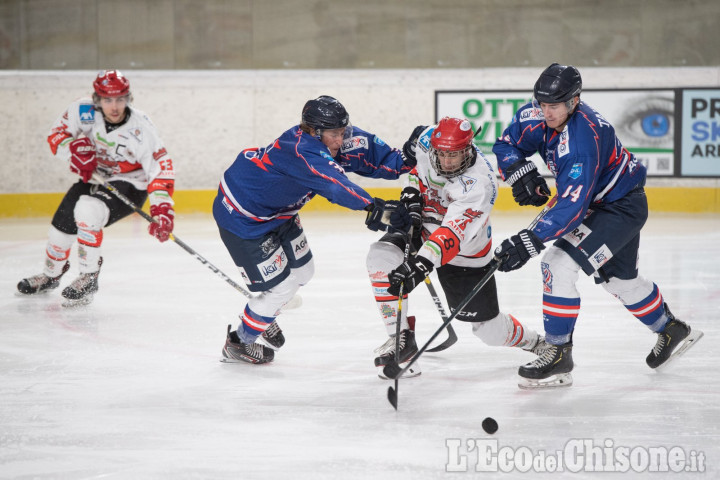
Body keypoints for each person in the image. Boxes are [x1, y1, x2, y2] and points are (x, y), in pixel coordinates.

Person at [493, 63, 704, 389]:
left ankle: (559, 353)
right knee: (619, 279)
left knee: (556, 264)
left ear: (574, 101)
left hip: (619, 208)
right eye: (542, 104)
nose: (546, 112)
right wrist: (521, 171)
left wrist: (529, 240)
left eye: (555, 106)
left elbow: (573, 206)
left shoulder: (582, 140)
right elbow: (506, 144)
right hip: (602, 203)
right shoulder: (536, 113)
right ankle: (670, 329)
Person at [214, 95, 414, 364]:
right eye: (334, 134)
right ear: (313, 131)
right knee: (283, 288)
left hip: (281, 212)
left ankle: (264, 311)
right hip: (243, 217)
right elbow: (333, 185)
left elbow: (377, 156)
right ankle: (239, 341)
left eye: (343, 131)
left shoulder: (333, 138)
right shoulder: (300, 150)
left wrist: (410, 158)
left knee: (304, 271)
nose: (340, 140)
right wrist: (376, 209)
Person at [367, 117, 548, 379]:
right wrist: (412, 194)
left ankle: (535, 342)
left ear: (469, 149)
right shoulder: (427, 142)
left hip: (464, 253)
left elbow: (451, 236)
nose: (448, 162)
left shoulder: (480, 184)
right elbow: (416, 169)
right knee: (380, 257)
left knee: (488, 331)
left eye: (455, 155)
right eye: (442, 155)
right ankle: (401, 343)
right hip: (423, 229)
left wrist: (420, 266)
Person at [17, 70, 175, 305]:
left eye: (120, 99)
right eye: (108, 99)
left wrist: (162, 209)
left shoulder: (141, 127)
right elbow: (56, 135)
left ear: (128, 98)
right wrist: (73, 152)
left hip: (130, 183)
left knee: (87, 210)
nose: (114, 106)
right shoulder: (82, 111)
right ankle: (51, 275)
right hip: (94, 178)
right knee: (60, 230)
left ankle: (89, 275)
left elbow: (160, 168)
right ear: (97, 99)